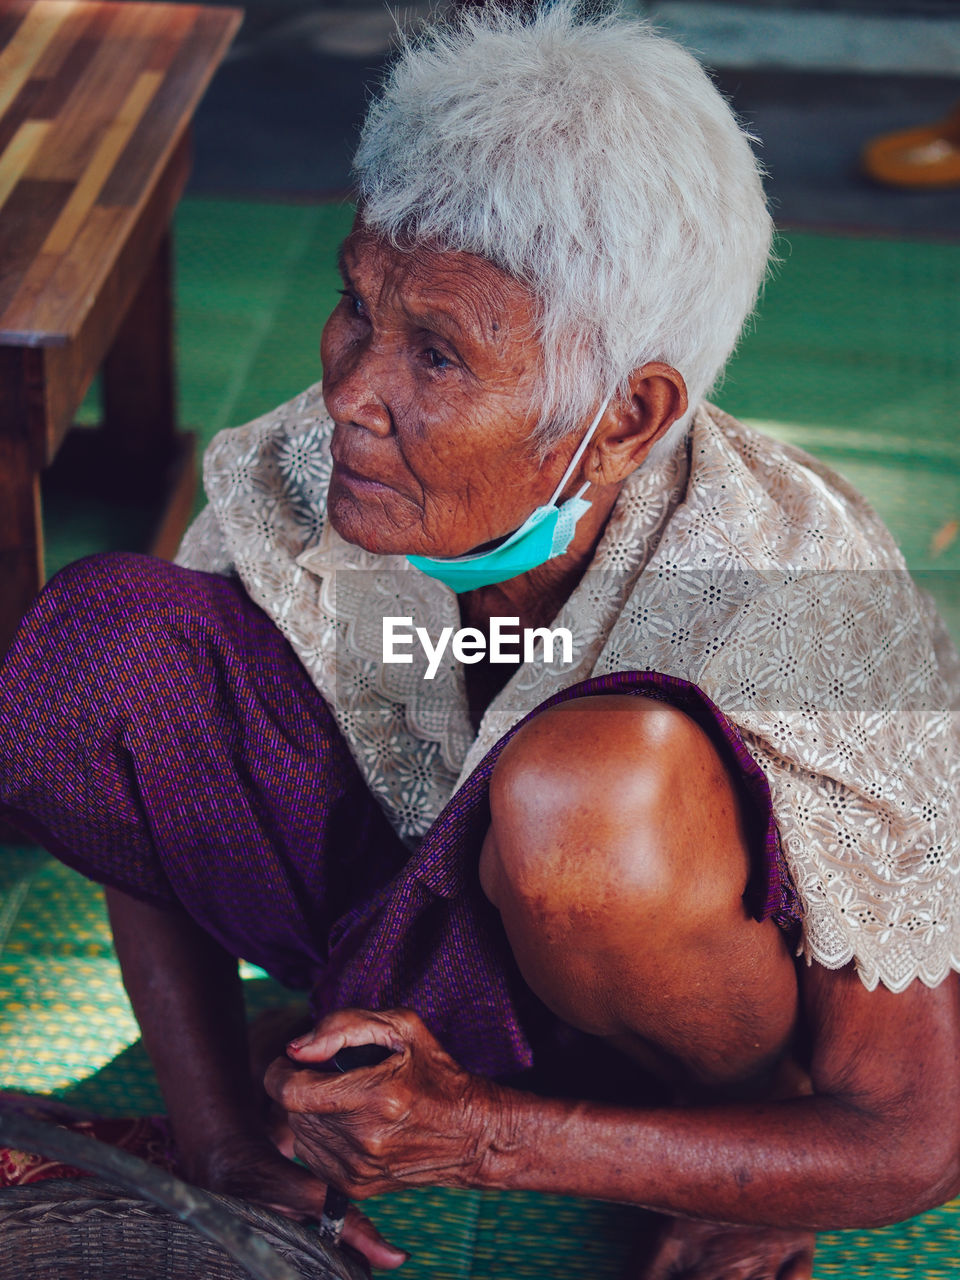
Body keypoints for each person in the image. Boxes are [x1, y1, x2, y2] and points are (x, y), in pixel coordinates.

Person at [2, 5, 959, 1277]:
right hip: (417, 945)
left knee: (587, 791)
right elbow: (142, 784)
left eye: (438, 354)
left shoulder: (800, 583)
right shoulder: (303, 467)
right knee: (102, 651)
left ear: (626, 415)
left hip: (674, 1028)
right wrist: (222, 1139)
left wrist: (483, 1136)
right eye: (356, 304)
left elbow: (915, 1134)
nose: (352, 391)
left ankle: (715, 1159)